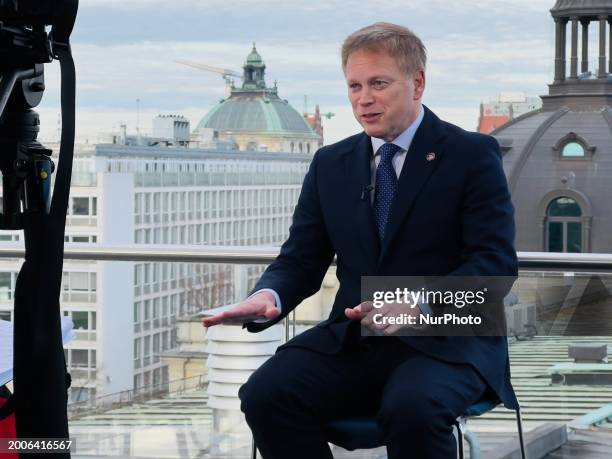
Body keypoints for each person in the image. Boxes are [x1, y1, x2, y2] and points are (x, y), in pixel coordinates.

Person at [203, 22, 518, 459]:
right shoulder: (331, 163)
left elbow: (494, 265)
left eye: (378, 83)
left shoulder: (471, 154)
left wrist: (419, 304)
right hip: (355, 340)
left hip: (446, 341)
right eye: (354, 85)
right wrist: (268, 294)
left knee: (413, 407)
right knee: (265, 393)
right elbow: (301, 257)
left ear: (417, 83)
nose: (363, 98)